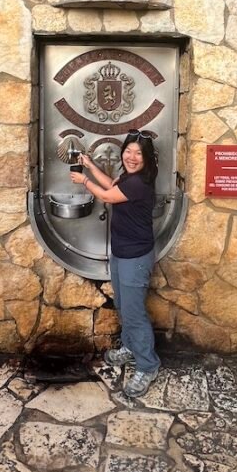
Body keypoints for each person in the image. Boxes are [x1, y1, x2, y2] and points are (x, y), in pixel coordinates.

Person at [70, 131, 160, 397]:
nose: (132, 157)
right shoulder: (129, 178)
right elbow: (111, 185)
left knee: (134, 314)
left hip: (135, 257)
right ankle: (131, 348)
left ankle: (148, 364)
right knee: (123, 305)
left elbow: (107, 197)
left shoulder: (140, 184)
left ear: (147, 159)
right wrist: (90, 166)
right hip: (122, 253)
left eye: (138, 153)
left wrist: (83, 180)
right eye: (128, 151)